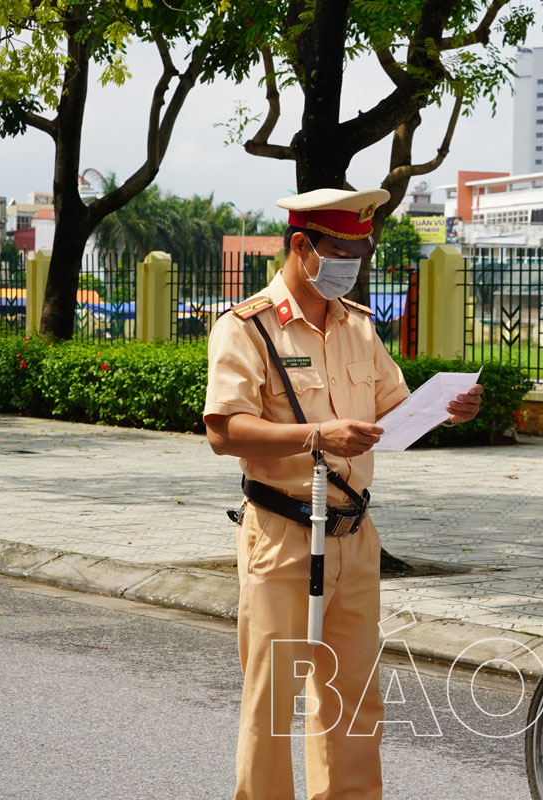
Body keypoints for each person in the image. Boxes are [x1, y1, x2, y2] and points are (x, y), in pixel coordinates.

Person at [203, 188, 483, 800]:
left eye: (362, 251)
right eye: (342, 251)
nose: (353, 264)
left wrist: (448, 411)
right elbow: (224, 429)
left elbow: (394, 410)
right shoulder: (247, 327)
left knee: (353, 700)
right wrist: (315, 435)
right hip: (282, 535)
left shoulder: (357, 327)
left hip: (355, 537)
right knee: (274, 703)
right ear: (301, 247)